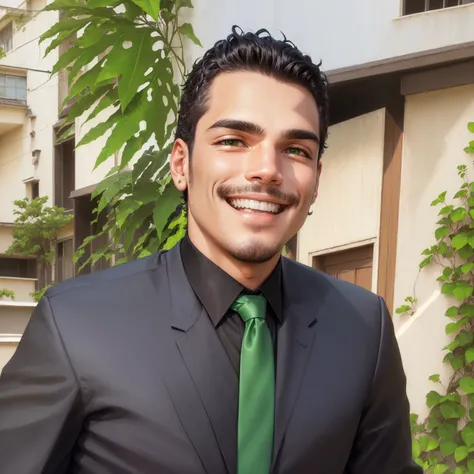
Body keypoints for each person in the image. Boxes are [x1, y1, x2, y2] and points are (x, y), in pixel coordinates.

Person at [0, 26, 421, 474]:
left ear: (317, 177)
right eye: (234, 141)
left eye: (295, 149)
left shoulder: (362, 328)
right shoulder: (76, 325)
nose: (266, 170)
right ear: (181, 164)